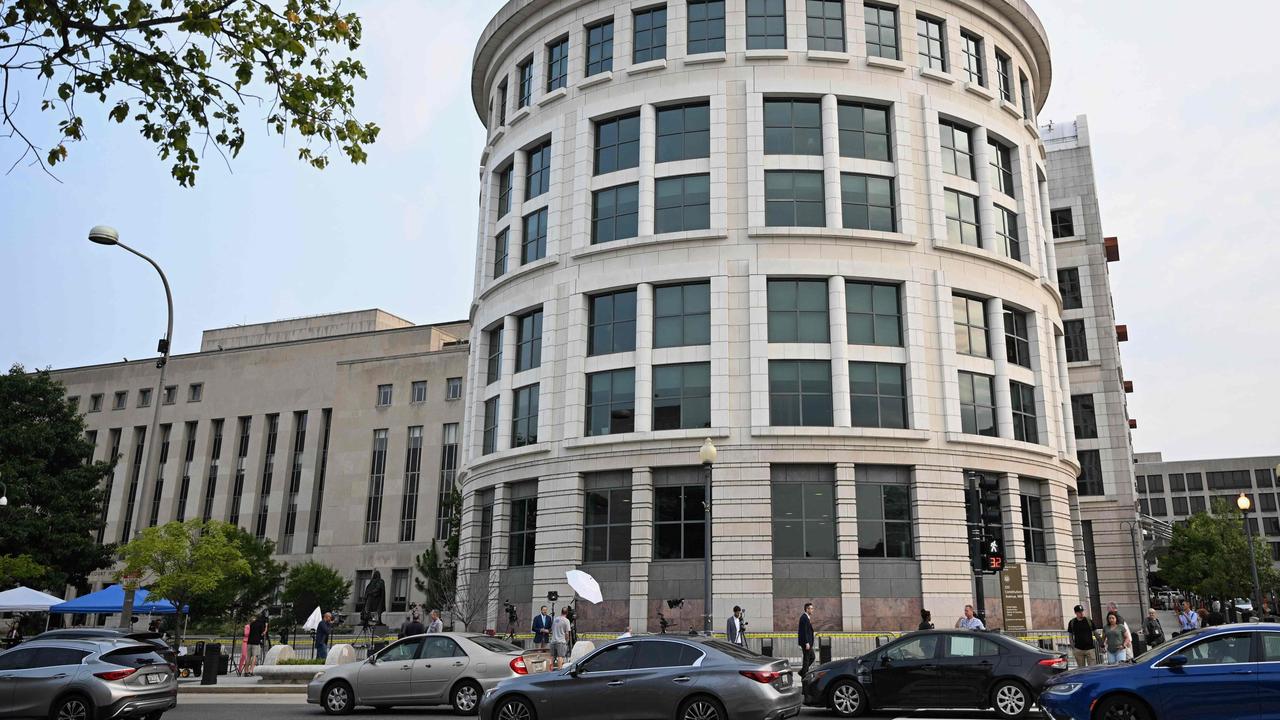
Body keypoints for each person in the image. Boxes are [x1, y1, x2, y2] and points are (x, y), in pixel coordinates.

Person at [797, 603, 815, 677]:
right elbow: (803, 631)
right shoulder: (804, 618)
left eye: (812, 608)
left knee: (811, 657)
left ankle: (803, 672)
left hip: (808, 643)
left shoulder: (806, 617)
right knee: (807, 659)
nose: (812, 610)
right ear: (807, 609)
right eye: (811, 608)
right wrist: (807, 642)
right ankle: (804, 674)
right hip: (806, 643)